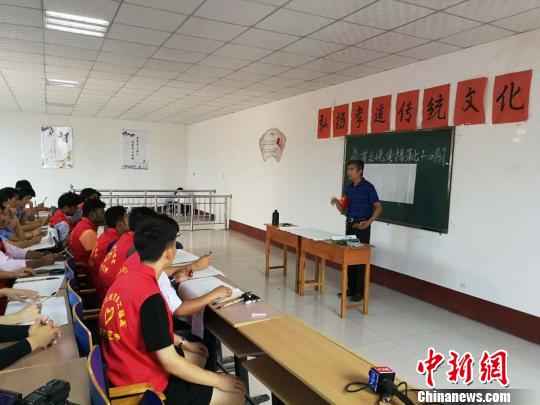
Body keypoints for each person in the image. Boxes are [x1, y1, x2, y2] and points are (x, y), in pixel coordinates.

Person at [99, 214, 244, 404]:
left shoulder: (125, 278)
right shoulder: (150, 297)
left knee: (199, 353)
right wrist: (218, 380)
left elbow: (148, 330)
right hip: (145, 388)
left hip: (121, 368)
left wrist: (184, 343)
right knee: (235, 393)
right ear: (169, 253)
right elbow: (170, 363)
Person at [331, 160, 382, 302]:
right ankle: (351, 289)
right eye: (348, 169)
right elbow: (343, 208)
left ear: (360, 171)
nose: (349, 172)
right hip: (350, 226)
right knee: (349, 257)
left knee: (360, 259)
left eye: (352, 169)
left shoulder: (368, 187)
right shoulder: (349, 188)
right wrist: (336, 202)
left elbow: (379, 207)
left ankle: (359, 292)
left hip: (362, 227)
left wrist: (369, 222)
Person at [88, 206, 129, 278]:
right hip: (100, 280)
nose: (131, 221)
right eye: (128, 218)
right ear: (120, 224)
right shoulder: (113, 242)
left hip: (96, 276)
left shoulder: (106, 235)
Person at [68, 199, 106, 272]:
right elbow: (97, 259)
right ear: (92, 215)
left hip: (79, 266)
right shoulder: (88, 232)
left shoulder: (81, 224)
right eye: (102, 213)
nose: (105, 216)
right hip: (85, 271)